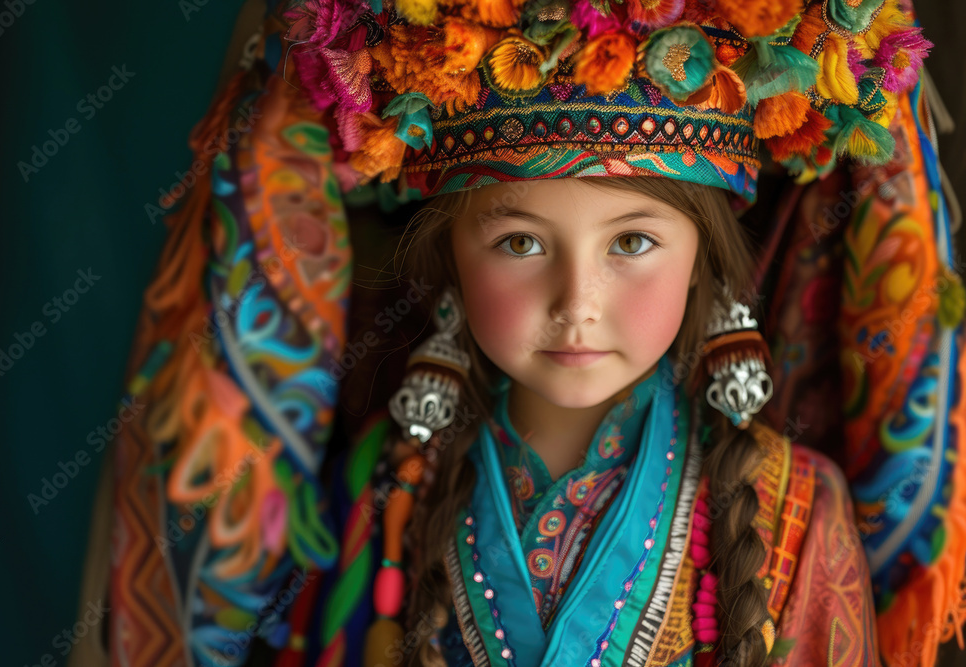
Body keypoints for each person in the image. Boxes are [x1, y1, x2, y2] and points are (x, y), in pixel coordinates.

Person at [70, 0, 966, 666]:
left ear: (707, 262)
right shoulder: (384, 491)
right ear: (453, 260)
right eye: (520, 241)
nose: (577, 298)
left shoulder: (796, 510)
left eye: (634, 242)